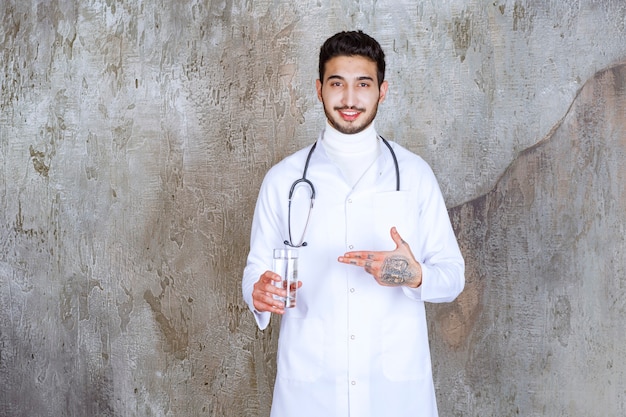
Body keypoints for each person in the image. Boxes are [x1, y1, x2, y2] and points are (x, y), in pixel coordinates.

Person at [242, 30, 465, 417]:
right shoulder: (284, 180)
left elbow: (453, 277)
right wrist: (258, 293)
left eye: (363, 84)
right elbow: (256, 270)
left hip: (395, 395)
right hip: (311, 394)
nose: (349, 99)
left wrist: (413, 275)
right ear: (318, 89)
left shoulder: (414, 175)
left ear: (382, 90)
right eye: (337, 84)